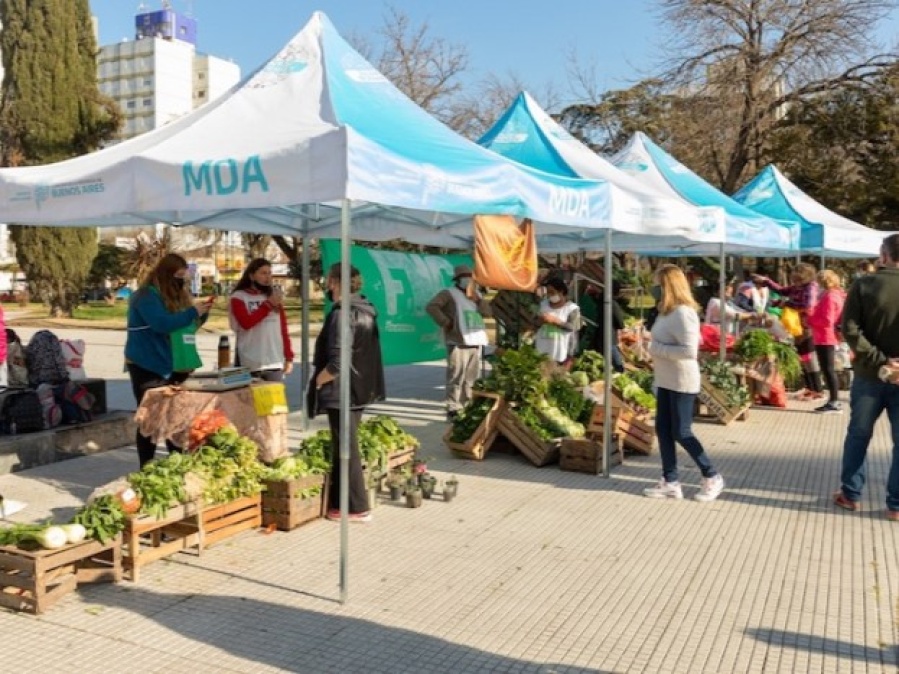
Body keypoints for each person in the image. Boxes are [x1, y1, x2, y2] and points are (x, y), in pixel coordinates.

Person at [644, 264, 725, 502]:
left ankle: (711, 474)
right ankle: (670, 481)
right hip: (665, 378)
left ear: (668, 285)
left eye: (658, 283)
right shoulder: (665, 311)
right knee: (663, 430)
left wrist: (654, 347)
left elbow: (689, 351)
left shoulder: (683, 313)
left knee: (681, 431)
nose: (654, 288)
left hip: (682, 380)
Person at [312, 263, 385, 523]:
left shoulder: (341, 314)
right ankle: (343, 502)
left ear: (334, 282)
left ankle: (355, 507)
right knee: (347, 445)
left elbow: (337, 362)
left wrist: (320, 380)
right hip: (358, 389)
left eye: (328, 280)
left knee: (346, 448)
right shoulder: (365, 310)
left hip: (343, 390)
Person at [125, 253, 214, 467]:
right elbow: (161, 324)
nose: (181, 281)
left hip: (175, 364)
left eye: (184, 276)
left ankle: (177, 465)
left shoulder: (177, 296)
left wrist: (200, 315)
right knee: (150, 419)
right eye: (178, 275)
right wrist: (192, 311)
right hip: (148, 364)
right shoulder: (145, 296)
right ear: (165, 274)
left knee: (176, 418)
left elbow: (184, 326)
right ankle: (146, 467)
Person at [833, 234, 899, 521]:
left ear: (883, 255)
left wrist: (879, 359)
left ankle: (850, 494)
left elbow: (849, 328)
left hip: (869, 376)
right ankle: (896, 505)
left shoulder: (863, 284)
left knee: (859, 436)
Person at [426, 264, 490, 419]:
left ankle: (467, 404)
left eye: (470, 277)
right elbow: (432, 307)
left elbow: (488, 313)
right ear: (458, 279)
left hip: (475, 339)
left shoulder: (478, 295)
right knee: (456, 375)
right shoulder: (448, 294)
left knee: (471, 377)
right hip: (457, 340)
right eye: (464, 277)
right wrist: (446, 322)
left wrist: (478, 301)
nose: (468, 280)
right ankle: (453, 406)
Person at [754, 263, 822, 401]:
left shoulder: (811, 288)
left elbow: (807, 306)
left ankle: (818, 390)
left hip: (807, 326)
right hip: (797, 326)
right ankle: (809, 389)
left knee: (810, 357)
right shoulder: (799, 287)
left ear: (805, 277)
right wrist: (767, 282)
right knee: (803, 358)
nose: (795, 282)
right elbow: (783, 290)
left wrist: (785, 304)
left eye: (798, 279)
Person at [228, 258, 294, 382]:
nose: (268, 277)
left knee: (275, 401)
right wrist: (267, 305)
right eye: (263, 273)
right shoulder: (239, 297)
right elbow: (246, 323)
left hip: (274, 361)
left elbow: (283, 329)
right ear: (252, 276)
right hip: (250, 362)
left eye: (269, 273)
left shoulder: (272, 296)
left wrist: (289, 356)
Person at [806, 269, 846, 414]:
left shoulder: (830, 297)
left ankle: (834, 402)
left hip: (825, 336)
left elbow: (827, 320)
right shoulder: (835, 295)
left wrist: (810, 319)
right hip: (825, 336)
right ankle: (833, 401)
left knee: (828, 370)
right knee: (828, 369)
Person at [534, 277, 581, 365]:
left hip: (561, 352)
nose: (549, 295)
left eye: (552, 292)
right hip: (542, 350)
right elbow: (535, 323)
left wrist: (555, 321)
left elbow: (574, 327)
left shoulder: (571, 309)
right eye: (548, 292)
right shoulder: (543, 305)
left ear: (561, 292)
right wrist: (540, 321)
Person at [590, 281, 626, 372]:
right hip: (610, 337)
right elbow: (620, 323)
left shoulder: (601, 300)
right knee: (617, 364)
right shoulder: (612, 304)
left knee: (603, 361)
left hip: (599, 335)